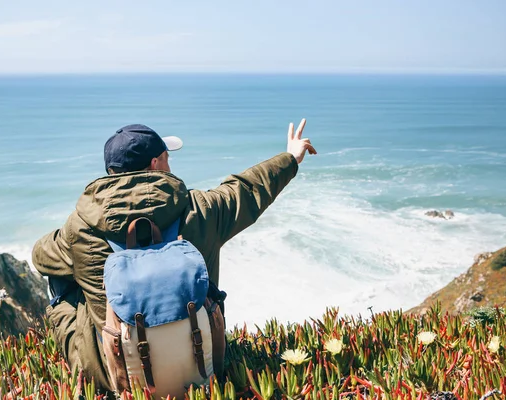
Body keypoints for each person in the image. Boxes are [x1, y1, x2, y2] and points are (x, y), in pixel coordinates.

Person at [32, 120, 317, 392]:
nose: (169, 164)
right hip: (203, 363)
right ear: (155, 164)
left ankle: (96, 374)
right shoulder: (201, 210)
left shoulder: (80, 227)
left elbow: (39, 257)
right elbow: (247, 189)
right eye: (167, 157)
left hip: (116, 376)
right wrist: (291, 157)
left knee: (63, 281)